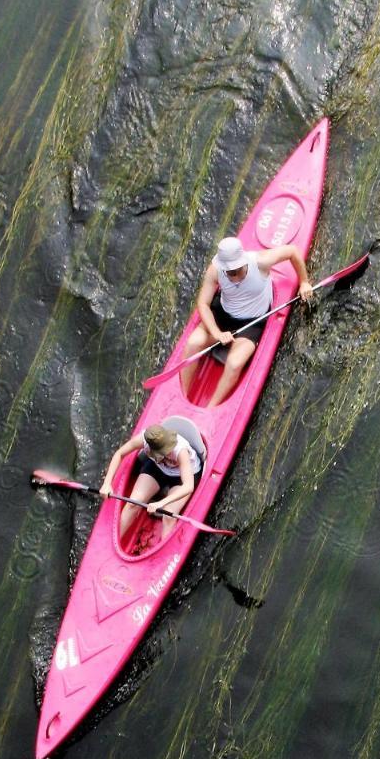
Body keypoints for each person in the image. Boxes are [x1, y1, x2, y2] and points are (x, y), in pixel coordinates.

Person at [179, 235, 314, 405]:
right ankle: (182, 399)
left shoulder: (260, 262)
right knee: (193, 344)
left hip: (252, 322)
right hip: (223, 315)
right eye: (230, 273)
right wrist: (217, 333)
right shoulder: (215, 270)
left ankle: (210, 407)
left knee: (235, 364)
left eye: (238, 271)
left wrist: (304, 282)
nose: (235, 278)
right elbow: (203, 304)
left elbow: (292, 252)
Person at [99, 423, 201, 548]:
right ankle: (110, 546)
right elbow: (119, 453)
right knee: (132, 503)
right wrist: (107, 483)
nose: (168, 453)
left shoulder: (181, 450)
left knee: (168, 514)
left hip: (182, 476)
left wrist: (161, 503)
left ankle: (162, 552)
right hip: (157, 468)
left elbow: (188, 486)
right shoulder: (144, 439)